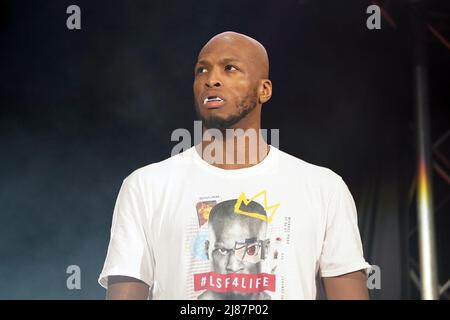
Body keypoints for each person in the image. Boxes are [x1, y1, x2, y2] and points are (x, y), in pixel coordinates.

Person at [99, 31, 371, 300]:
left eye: (229, 68)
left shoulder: (324, 188)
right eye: (202, 70)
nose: (211, 80)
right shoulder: (146, 187)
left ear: (264, 90)